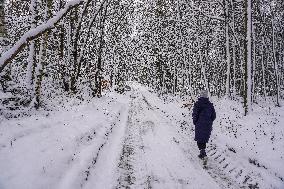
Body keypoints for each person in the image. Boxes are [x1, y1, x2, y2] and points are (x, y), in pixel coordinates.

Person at [192, 90, 216, 159]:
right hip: (208, 125)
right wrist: (209, 121)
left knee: (199, 139)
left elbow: (195, 114)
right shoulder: (210, 105)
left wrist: (195, 121)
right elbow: (214, 116)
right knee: (204, 139)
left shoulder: (198, 104)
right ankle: (202, 153)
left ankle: (203, 153)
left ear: (201, 95)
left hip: (199, 124)